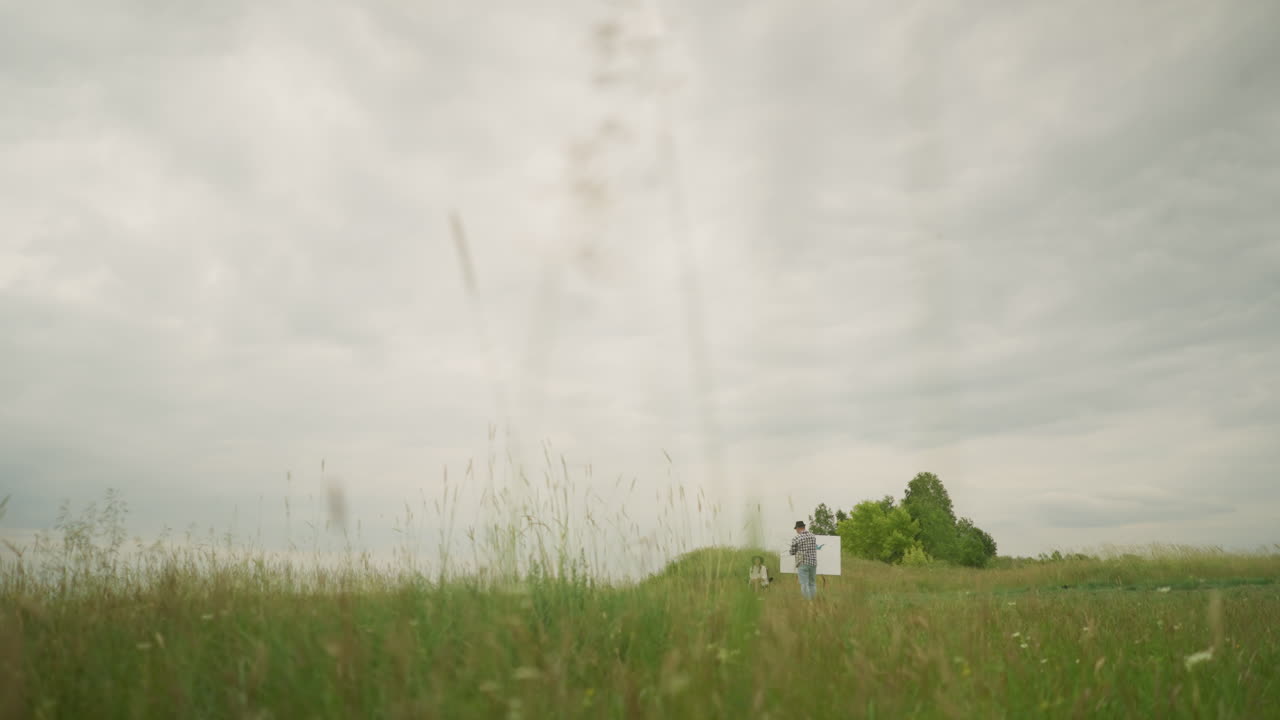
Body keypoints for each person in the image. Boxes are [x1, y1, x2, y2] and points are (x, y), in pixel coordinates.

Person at [789, 520, 818, 599]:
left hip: (802, 563)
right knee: (812, 583)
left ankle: (807, 602)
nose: (796, 531)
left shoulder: (796, 538)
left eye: (796, 529)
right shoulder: (813, 536)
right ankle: (813, 600)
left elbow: (792, 552)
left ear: (798, 528)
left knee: (804, 584)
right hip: (813, 563)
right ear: (804, 527)